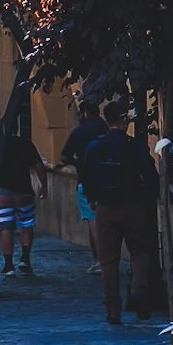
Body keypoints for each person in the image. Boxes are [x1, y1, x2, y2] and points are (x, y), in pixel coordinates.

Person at [78, 99, 160, 325]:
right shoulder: (134, 146)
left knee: (109, 260)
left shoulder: (95, 147)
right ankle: (140, 291)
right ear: (124, 121)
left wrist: (94, 199)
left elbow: (87, 178)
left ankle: (112, 308)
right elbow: (150, 174)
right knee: (141, 252)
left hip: (106, 207)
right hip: (134, 205)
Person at [0, 109, 49, 276]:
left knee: (5, 227)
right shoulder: (26, 144)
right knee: (26, 225)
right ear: (17, 128)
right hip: (24, 192)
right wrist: (44, 186)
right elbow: (38, 167)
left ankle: (8, 265)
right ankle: (25, 259)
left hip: (3, 193)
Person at [59, 93, 106, 273]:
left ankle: (98, 261)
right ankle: (107, 260)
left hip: (86, 180)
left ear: (85, 113)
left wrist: (79, 163)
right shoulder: (106, 128)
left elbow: (64, 156)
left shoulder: (79, 132)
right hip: (109, 180)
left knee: (93, 222)